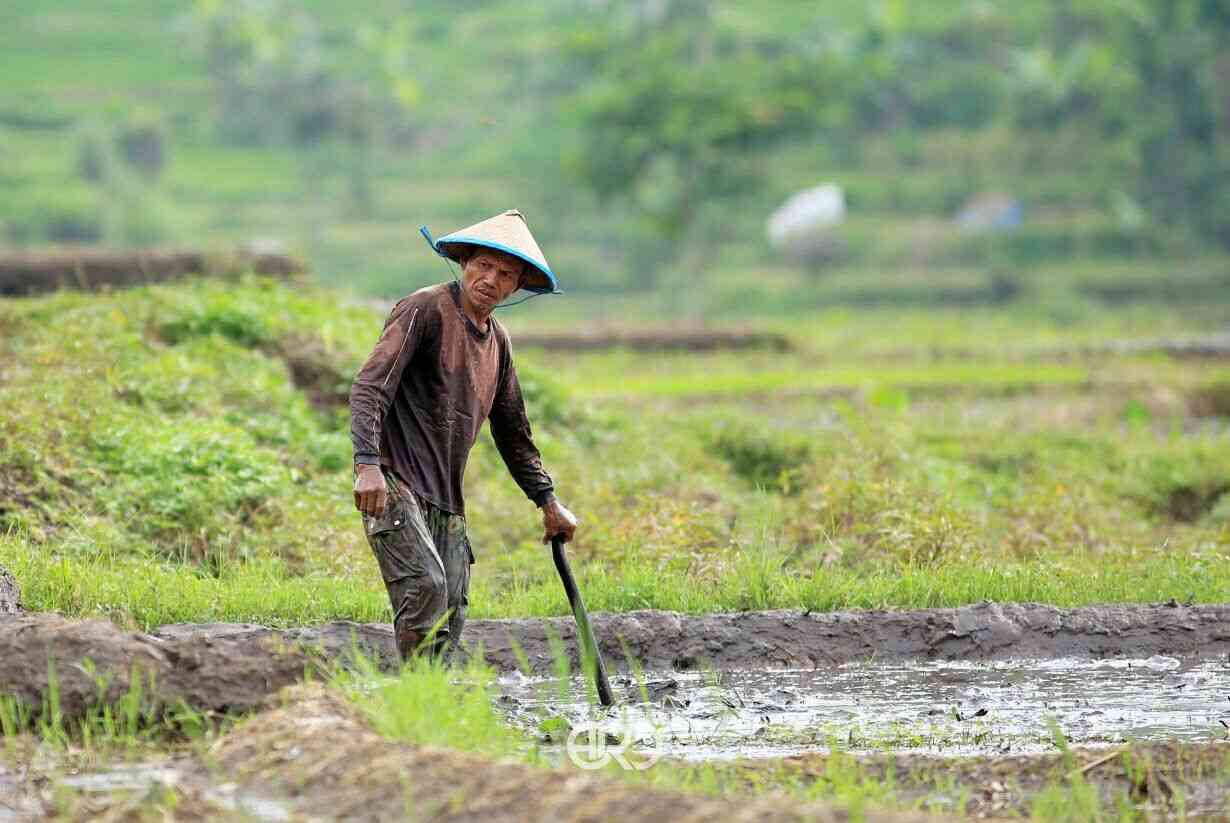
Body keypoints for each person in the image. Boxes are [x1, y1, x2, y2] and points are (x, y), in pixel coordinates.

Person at [349, 209, 578, 662]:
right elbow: (370, 386)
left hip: (445, 495)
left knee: (452, 605)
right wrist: (367, 465)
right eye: (483, 266)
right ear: (465, 264)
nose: (491, 279)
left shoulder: (498, 343)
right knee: (425, 586)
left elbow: (513, 432)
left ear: (515, 287)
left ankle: (429, 701)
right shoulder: (426, 308)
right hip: (395, 479)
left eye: (505, 274)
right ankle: (417, 700)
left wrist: (548, 501)